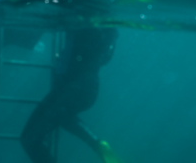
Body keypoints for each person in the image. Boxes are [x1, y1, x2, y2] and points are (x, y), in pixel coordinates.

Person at [21, 28, 122, 163]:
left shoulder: (85, 26)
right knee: (62, 116)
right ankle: (97, 144)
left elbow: (80, 55)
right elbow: (101, 58)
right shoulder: (106, 32)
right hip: (86, 88)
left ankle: (96, 144)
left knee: (30, 138)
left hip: (71, 89)